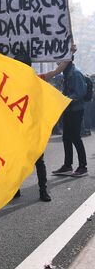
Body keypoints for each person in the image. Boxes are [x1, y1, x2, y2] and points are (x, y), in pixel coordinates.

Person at [52, 48, 88, 177]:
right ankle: (67, 166)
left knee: (75, 138)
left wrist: (65, 99)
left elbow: (80, 93)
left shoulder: (76, 73)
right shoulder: (66, 73)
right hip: (68, 109)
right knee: (66, 137)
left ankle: (83, 167)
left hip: (76, 110)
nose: (57, 64)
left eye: (60, 61)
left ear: (66, 61)